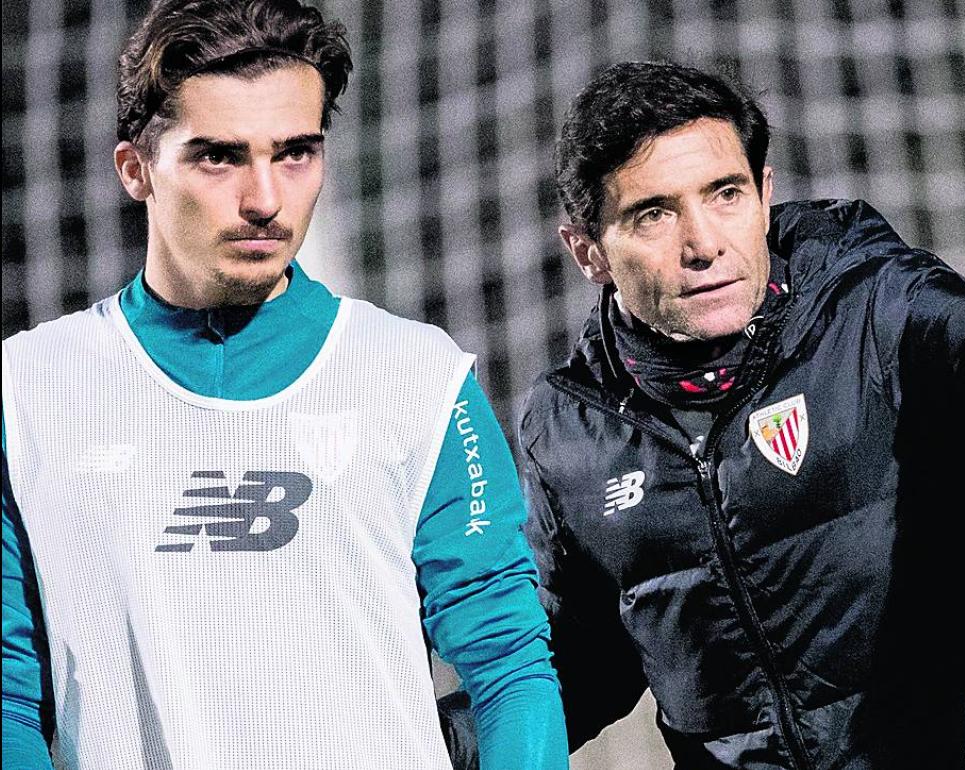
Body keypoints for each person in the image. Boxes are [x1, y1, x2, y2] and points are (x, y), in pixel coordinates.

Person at [442, 60, 965, 769]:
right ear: (587, 250)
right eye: (654, 214)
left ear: (764, 194)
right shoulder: (571, 431)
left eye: (724, 195)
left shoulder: (871, 314)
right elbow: (577, 661)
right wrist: (411, 739)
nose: (703, 243)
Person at [0, 1, 566, 768]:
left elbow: (507, 661)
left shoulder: (418, 380)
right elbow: (8, 689)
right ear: (136, 170)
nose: (265, 199)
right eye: (219, 157)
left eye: (295, 153)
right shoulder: (25, 391)